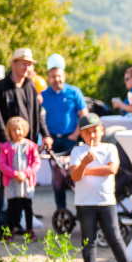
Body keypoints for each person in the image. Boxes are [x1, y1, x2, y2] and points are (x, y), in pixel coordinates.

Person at [68, 113, 132, 262]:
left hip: (106, 201)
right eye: (87, 132)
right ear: (81, 135)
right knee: (88, 240)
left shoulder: (110, 148)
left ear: (102, 130)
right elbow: (75, 176)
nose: (92, 135)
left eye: (95, 131)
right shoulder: (77, 151)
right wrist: (84, 164)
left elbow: (112, 169)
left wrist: (85, 170)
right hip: (85, 203)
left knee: (115, 238)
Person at [0, 48, 52, 231]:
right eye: (24, 63)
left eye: (30, 64)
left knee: (25, 184)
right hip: (6, 145)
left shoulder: (30, 87)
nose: (27, 67)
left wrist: (46, 134)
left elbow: (38, 115)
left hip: (27, 146)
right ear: (13, 64)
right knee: (6, 184)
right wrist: (4, 143)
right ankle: (4, 226)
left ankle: (20, 224)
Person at [42, 62, 88, 212]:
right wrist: (46, 137)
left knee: (75, 175)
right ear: (49, 78)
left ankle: (82, 209)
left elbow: (84, 116)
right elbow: (39, 119)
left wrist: (76, 134)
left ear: (64, 76)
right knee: (57, 178)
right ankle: (61, 210)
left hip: (71, 140)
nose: (57, 79)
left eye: (59, 76)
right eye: (53, 77)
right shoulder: (43, 96)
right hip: (53, 141)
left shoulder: (74, 92)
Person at [0, 116, 40, 239]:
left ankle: (29, 229)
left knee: (28, 207)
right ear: (9, 131)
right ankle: (10, 230)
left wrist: (26, 174)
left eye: (20, 129)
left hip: (26, 182)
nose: (17, 132)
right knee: (12, 207)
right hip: (12, 182)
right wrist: (15, 174)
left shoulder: (31, 146)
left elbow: (36, 163)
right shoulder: (6, 147)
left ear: (25, 130)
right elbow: (2, 164)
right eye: (14, 130)